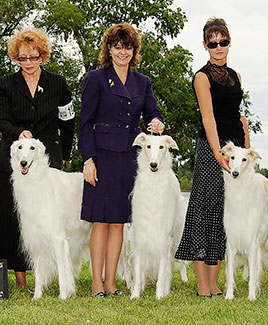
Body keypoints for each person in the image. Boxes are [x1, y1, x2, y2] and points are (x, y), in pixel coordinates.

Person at [79, 23, 164, 298]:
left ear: (134, 50)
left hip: (129, 157)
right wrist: (88, 160)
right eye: (117, 46)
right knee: (100, 222)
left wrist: (155, 121)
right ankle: (95, 284)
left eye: (127, 46)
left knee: (118, 222)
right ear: (109, 49)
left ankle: (111, 282)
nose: (122, 52)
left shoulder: (143, 82)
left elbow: (153, 111)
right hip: (102, 156)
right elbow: (85, 122)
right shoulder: (96, 78)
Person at [175, 18, 250, 297]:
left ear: (229, 42)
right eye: (213, 43)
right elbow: (208, 118)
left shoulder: (237, 76)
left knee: (223, 214)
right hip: (211, 149)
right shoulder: (202, 77)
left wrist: (245, 147)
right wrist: (218, 153)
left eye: (223, 42)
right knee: (204, 210)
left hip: (237, 154)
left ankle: (215, 282)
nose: (218, 47)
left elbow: (238, 116)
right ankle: (202, 285)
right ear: (205, 45)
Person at [0, 27, 75, 287]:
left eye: (33, 57)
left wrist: (64, 154)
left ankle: (52, 274)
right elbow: (2, 119)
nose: (28, 63)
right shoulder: (5, 84)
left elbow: (68, 122)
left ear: (42, 55)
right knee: (13, 217)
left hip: (47, 159)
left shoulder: (59, 84)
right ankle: (20, 277)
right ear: (16, 58)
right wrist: (18, 133)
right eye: (22, 58)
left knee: (50, 221)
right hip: (14, 157)